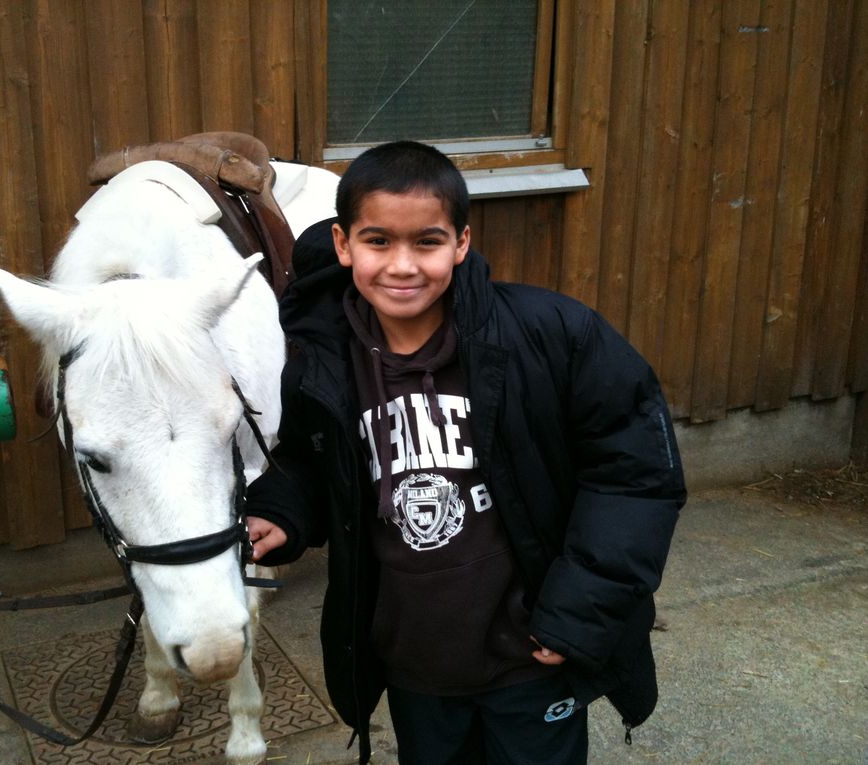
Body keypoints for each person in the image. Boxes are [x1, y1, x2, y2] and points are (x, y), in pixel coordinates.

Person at [245, 141, 686, 765]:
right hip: (414, 664)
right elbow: (315, 459)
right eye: (378, 242)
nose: (402, 265)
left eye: (426, 241)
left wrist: (580, 612)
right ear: (344, 246)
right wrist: (283, 507)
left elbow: (635, 476)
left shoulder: (551, 335)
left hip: (531, 655)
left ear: (461, 242)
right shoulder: (323, 360)